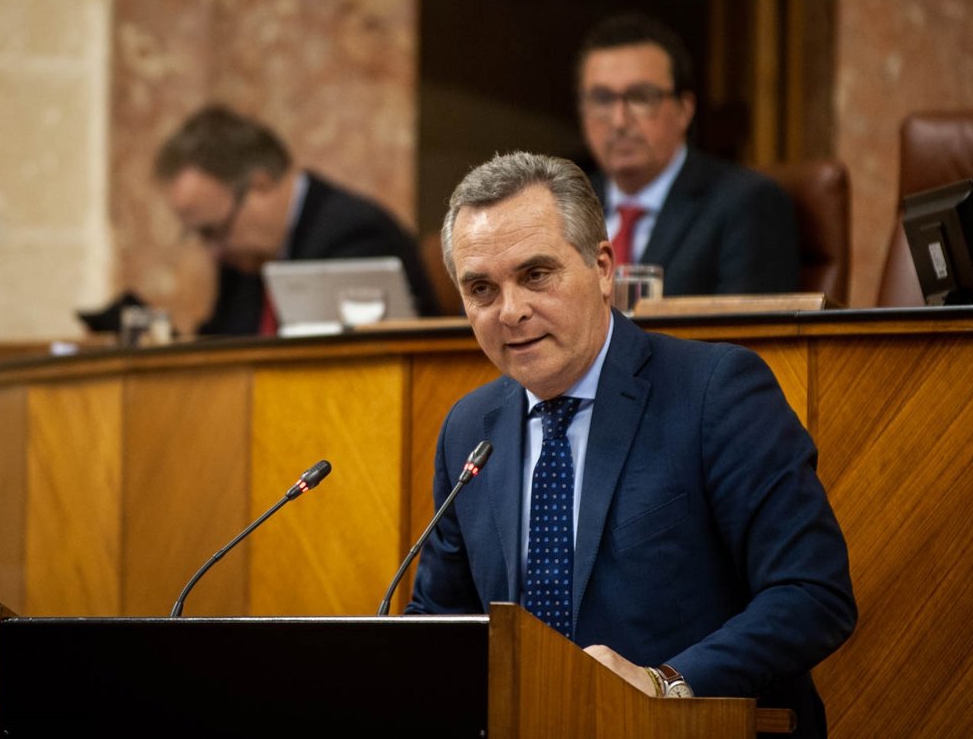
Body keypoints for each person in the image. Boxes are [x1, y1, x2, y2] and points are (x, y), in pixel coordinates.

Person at [407, 151, 855, 736]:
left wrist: (665, 683)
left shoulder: (715, 392)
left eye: (536, 275)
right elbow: (441, 622)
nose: (511, 311)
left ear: (601, 269)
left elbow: (813, 593)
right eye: (482, 289)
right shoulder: (469, 429)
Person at [153, 104, 439, 334]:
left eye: (213, 231)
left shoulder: (356, 234)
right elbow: (222, 344)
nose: (213, 252)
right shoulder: (244, 258)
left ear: (260, 185)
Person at [576, 13, 800, 294]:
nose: (619, 120)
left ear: (685, 109)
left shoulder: (747, 204)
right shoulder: (565, 208)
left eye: (641, 97)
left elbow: (749, 322)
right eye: (602, 99)